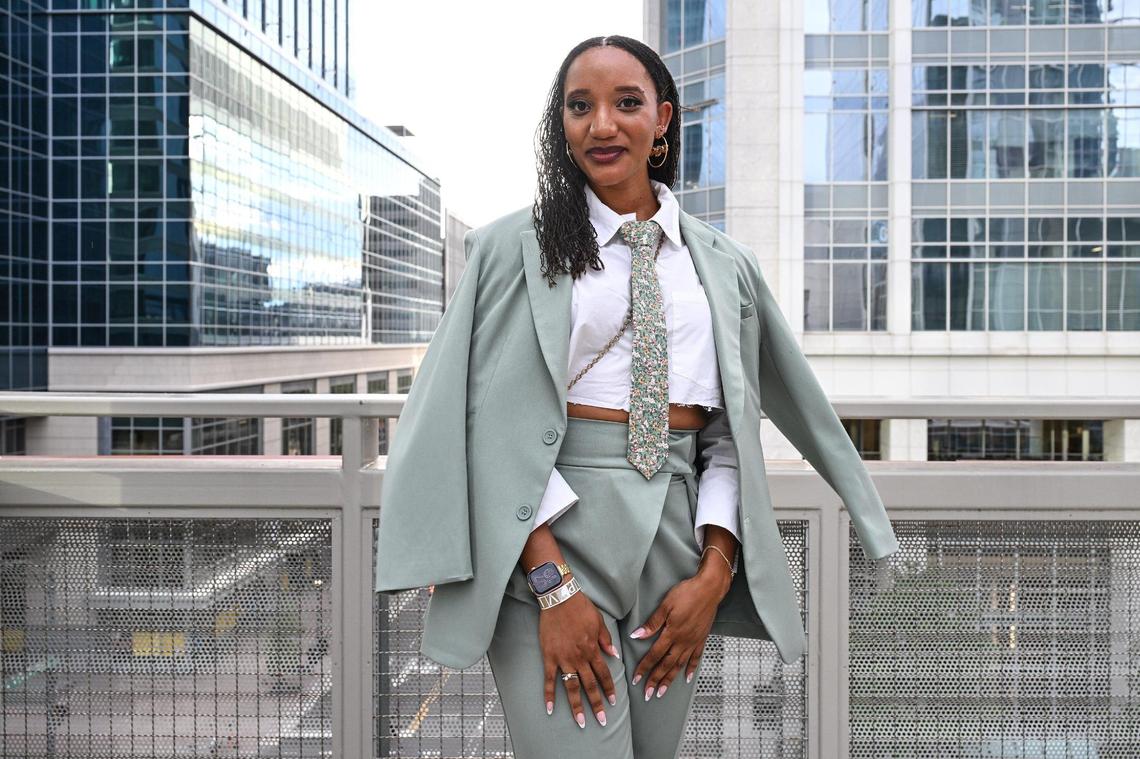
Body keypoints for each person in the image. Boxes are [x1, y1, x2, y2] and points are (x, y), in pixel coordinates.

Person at [373, 34, 900, 759]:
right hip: (548, 529)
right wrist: (551, 583)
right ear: (560, 127)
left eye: (626, 104)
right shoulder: (510, 248)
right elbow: (478, 419)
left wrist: (713, 573)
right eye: (579, 106)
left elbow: (728, 433)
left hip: (677, 546)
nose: (601, 124)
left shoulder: (723, 264)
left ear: (663, 120)